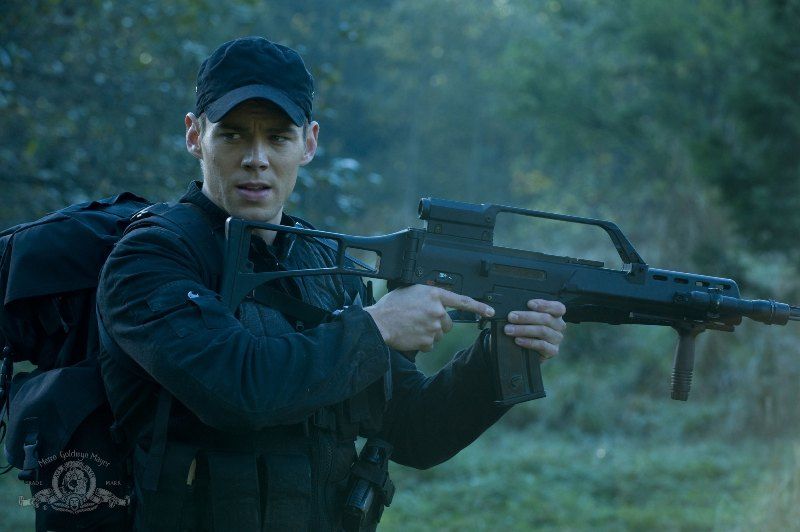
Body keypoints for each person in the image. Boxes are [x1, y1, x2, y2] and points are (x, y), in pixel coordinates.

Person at [96, 36, 567, 532]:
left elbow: (415, 430)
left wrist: (499, 356)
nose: (256, 158)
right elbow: (238, 389)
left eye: (278, 138)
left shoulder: (325, 265)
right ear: (195, 136)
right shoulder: (151, 258)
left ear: (309, 143)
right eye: (232, 135)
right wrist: (375, 327)